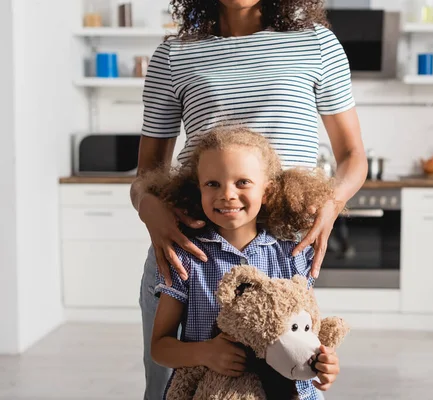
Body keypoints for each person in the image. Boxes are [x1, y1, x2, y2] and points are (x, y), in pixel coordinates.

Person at [131, 0, 367, 398]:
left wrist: (332, 202)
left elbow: (352, 157)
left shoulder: (315, 44)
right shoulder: (174, 55)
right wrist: (147, 206)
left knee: (288, 384)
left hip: (279, 257)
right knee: (171, 388)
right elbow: (146, 175)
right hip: (189, 254)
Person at [143, 126, 340, 399]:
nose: (227, 194)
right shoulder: (186, 257)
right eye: (212, 184)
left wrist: (324, 364)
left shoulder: (292, 255)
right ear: (197, 188)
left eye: (243, 182)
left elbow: (306, 333)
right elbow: (159, 347)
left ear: (268, 192)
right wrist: (205, 353)